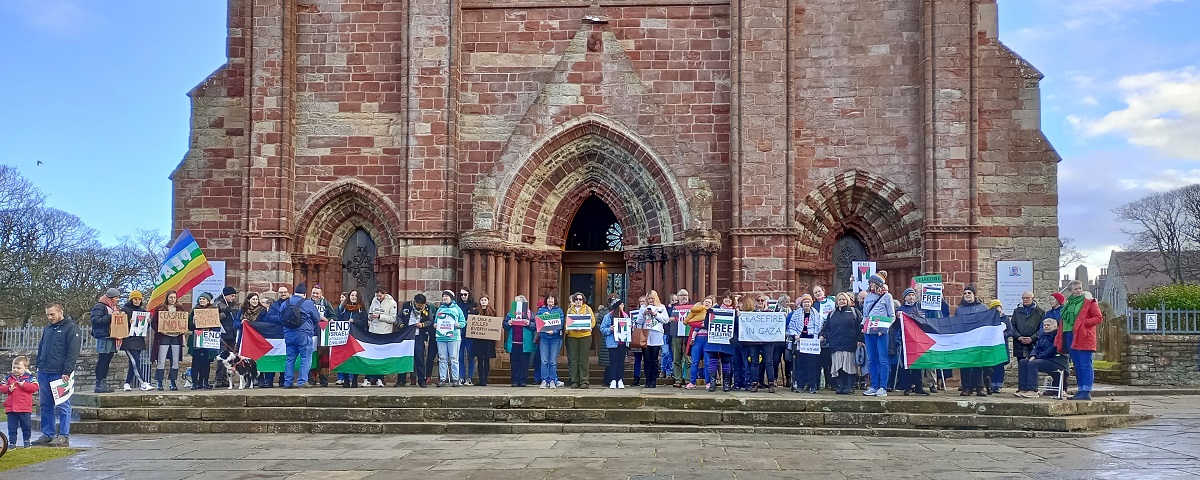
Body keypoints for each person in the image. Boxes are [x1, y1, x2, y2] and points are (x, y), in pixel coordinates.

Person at [32, 304, 79, 447]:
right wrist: (38, 364)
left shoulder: (71, 328)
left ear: (61, 312)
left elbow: (73, 351)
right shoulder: (48, 329)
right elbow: (41, 347)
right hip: (44, 372)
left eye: (52, 314)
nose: (50, 317)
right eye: (48, 315)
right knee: (46, 405)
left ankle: (64, 435)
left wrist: (67, 371)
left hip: (60, 373)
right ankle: (48, 434)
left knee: (63, 404)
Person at [1057, 281, 1103, 400]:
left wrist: (1083, 324)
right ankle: (1080, 389)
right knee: (1077, 364)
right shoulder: (1068, 304)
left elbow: (1098, 318)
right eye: (1076, 289)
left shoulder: (1089, 302)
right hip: (1069, 335)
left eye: (1080, 288)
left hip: (1083, 336)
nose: (1078, 291)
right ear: (1070, 291)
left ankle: (1086, 391)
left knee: (1085, 364)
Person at [820, 293, 862, 394]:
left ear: (847, 300)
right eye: (839, 300)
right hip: (836, 344)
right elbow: (826, 327)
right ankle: (841, 386)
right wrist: (823, 335)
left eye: (844, 299)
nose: (842, 301)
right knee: (839, 366)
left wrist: (860, 340)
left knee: (849, 367)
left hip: (849, 343)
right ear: (836, 302)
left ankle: (850, 386)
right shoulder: (832, 314)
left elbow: (860, 327)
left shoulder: (854, 312)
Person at [281, 283, 321, 388]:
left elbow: (281, 317)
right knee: (305, 358)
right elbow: (317, 318)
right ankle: (302, 382)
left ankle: (287, 382)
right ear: (304, 294)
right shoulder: (307, 303)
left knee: (290, 359)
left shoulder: (286, 302)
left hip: (289, 334)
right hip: (304, 334)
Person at [861, 274, 895, 397]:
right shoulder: (868, 296)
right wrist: (863, 326)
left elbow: (892, 316)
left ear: (878, 284)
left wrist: (884, 328)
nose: (870, 285)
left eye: (872, 283)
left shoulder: (887, 296)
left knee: (882, 359)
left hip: (881, 332)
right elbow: (865, 314)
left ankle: (883, 387)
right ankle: (874, 386)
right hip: (869, 330)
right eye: (869, 283)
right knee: (871, 360)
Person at [1017, 319, 1069, 398]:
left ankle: (1033, 390)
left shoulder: (1057, 336)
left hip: (1057, 361)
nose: (1046, 327)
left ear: (1055, 326)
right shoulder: (1043, 336)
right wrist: (1032, 356)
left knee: (1033, 363)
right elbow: (1036, 348)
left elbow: (1052, 350)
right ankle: (1023, 388)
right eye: (1044, 325)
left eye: (1048, 325)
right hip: (1044, 359)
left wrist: (1037, 357)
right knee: (1023, 362)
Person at [894, 289, 929, 396]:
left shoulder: (920, 308)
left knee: (918, 364)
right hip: (905, 340)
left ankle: (919, 386)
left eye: (913, 295)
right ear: (904, 297)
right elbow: (895, 327)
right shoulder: (901, 310)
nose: (912, 297)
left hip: (918, 340)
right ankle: (907, 387)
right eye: (909, 295)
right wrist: (897, 318)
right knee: (906, 365)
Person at [1009, 292, 1045, 397]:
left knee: (1032, 364)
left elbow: (1041, 328)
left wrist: (1032, 338)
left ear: (1033, 298)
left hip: (1033, 343)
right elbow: (1012, 327)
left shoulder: (1040, 312)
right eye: (1023, 298)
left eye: (1027, 298)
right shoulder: (1017, 311)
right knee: (1021, 365)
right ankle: (1022, 388)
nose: (1025, 300)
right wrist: (1019, 337)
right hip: (1019, 343)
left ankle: (1032, 388)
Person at [741, 294, 778, 393]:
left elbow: (777, 323)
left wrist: (783, 317)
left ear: (766, 302)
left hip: (768, 341)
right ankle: (754, 383)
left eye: (762, 300)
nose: (760, 302)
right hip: (754, 340)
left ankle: (771, 383)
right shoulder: (752, 314)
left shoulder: (772, 314)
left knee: (769, 362)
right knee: (754, 362)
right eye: (758, 301)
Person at [956, 286, 989, 396]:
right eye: (965, 293)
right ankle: (966, 388)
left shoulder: (982, 307)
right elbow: (956, 324)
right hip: (964, 340)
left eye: (969, 292)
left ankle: (980, 387)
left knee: (978, 365)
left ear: (974, 294)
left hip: (978, 340)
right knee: (965, 365)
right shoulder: (959, 309)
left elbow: (987, 322)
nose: (967, 295)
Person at [152, 290, 188, 391]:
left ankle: (173, 382)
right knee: (161, 359)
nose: (172, 299)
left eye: (174, 297)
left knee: (175, 360)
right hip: (164, 336)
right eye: (170, 297)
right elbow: (154, 323)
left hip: (176, 337)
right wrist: (160, 330)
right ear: (167, 298)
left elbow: (184, 323)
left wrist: (182, 330)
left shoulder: (180, 309)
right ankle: (159, 382)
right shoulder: (160, 309)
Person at [787, 294, 823, 393]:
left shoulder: (816, 314)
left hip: (811, 342)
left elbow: (820, 327)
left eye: (808, 302)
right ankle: (800, 385)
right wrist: (795, 335)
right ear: (802, 304)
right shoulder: (796, 314)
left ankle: (812, 386)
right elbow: (791, 327)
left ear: (811, 303)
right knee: (800, 365)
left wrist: (820, 336)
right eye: (805, 302)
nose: (806, 304)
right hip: (800, 342)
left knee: (811, 365)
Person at [89, 287, 122, 393]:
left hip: (112, 336)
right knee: (102, 360)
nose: (118, 300)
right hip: (103, 336)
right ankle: (99, 382)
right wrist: (111, 316)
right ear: (110, 298)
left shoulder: (114, 307)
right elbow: (96, 320)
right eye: (116, 298)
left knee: (107, 360)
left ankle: (103, 381)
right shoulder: (99, 306)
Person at [120, 290, 153, 392]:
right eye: (135, 299)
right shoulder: (124, 310)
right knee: (136, 361)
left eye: (139, 299)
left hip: (139, 339)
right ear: (131, 299)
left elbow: (144, 328)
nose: (137, 301)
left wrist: (147, 323)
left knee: (133, 363)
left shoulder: (143, 311)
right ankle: (143, 382)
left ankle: (127, 383)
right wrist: (128, 322)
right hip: (128, 340)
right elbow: (120, 324)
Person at [704, 294, 738, 392]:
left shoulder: (734, 312)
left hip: (727, 341)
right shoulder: (715, 309)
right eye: (726, 298)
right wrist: (707, 314)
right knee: (713, 361)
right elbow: (707, 325)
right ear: (722, 299)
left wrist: (734, 337)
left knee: (726, 361)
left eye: (730, 298)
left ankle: (726, 383)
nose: (727, 300)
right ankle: (712, 383)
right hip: (714, 339)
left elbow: (737, 327)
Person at [399, 293, 434, 388]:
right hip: (406, 335)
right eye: (418, 306)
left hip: (419, 336)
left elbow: (431, 320)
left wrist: (422, 325)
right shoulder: (406, 305)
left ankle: (421, 380)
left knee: (420, 358)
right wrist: (401, 325)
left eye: (422, 306)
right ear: (414, 302)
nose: (420, 308)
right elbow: (399, 317)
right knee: (404, 357)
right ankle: (401, 380)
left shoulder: (427, 308)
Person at [3, 356, 38, 449]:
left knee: (26, 426)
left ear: (25, 368)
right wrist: (8, 388)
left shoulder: (30, 378)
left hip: (24, 407)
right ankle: (12, 443)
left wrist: (24, 385)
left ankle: (26, 441)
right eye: (14, 367)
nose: (15, 370)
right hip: (11, 408)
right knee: (12, 427)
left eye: (18, 368)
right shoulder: (8, 378)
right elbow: (1, 386)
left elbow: (35, 387)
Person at [435, 290, 468, 387]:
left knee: (454, 358)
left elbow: (463, 322)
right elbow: (436, 321)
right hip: (441, 337)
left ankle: (455, 378)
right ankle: (442, 378)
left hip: (454, 337)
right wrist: (435, 324)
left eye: (447, 296)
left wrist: (459, 324)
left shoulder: (457, 309)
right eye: (443, 296)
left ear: (451, 298)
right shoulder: (440, 310)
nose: (444, 298)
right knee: (442, 358)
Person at [366, 288, 398, 386]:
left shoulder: (392, 303)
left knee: (381, 356)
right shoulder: (374, 300)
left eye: (380, 296)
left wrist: (380, 316)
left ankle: (380, 377)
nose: (378, 298)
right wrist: (370, 316)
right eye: (377, 296)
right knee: (371, 355)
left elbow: (393, 318)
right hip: (373, 331)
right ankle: (369, 377)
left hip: (384, 332)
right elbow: (370, 313)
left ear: (385, 294)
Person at [338, 290, 369, 388]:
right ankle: (346, 379)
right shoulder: (343, 308)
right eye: (352, 295)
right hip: (344, 338)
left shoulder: (362, 309)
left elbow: (364, 322)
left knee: (355, 359)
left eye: (355, 295)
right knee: (345, 359)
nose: (353, 297)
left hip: (356, 337)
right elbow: (338, 319)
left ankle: (355, 380)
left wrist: (354, 321)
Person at [188, 293, 220, 390]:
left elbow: (216, 325)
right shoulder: (194, 311)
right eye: (200, 299)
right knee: (196, 361)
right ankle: (194, 382)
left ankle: (204, 381)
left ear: (208, 301)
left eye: (204, 299)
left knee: (206, 362)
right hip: (197, 338)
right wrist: (193, 322)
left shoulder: (213, 311)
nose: (202, 300)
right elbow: (189, 326)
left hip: (208, 339)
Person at [564, 292, 596, 389]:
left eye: (580, 299)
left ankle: (584, 381)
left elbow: (593, 321)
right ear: (573, 301)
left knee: (584, 359)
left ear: (583, 300)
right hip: (573, 336)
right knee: (574, 359)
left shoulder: (587, 309)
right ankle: (574, 381)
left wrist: (587, 327)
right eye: (576, 299)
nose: (578, 301)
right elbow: (566, 322)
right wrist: (568, 330)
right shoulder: (570, 310)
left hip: (585, 336)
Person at [308, 285, 337, 387]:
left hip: (323, 333)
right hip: (311, 332)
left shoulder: (326, 303)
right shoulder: (307, 303)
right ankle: (311, 379)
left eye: (317, 293)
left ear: (321, 294)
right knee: (311, 356)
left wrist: (327, 319)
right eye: (313, 292)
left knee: (323, 357)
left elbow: (333, 316)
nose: (315, 295)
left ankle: (323, 379)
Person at [639, 291, 670, 389]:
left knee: (654, 359)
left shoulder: (661, 307)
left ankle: (653, 381)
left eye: (652, 298)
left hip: (656, 334)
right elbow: (638, 321)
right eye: (649, 299)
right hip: (646, 335)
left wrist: (655, 314)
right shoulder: (643, 307)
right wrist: (643, 314)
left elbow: (666, 320)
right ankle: (647, 380)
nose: (650, 300)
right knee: (647, 359)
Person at [536, 294, 567, 389]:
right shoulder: (541, 310)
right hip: (544, 338)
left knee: (553, 361)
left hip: (555, 339)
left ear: (555, 300)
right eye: (548, 298)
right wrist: (543, 321)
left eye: (552, 298)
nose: (550, 300)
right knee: (544, 360)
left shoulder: (559, 311)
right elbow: (537, 321)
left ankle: (553, 380)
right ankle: (544, 380)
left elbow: (561, 323)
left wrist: (553, 331)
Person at [504, 295, 536, 387]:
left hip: (525, 343)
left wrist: (529, 323)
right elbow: (504, 324)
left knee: (524, 363)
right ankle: (514, 380)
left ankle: (523, 381)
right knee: (514, 362)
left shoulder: (529, 314)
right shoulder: (511, 313)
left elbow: (535, 326)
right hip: (513, 342)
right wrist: (508, 323)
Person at [467, 294, 498, 386]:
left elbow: (495, 324)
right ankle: (481, 380)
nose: (483, 302)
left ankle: (485, 379)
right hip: (479, 339)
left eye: (485, 300)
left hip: (488, 340)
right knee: (480, 359)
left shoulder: (493, 312)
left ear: (488, 301)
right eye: (482, 300)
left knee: (486, 360)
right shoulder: (475, 311)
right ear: (480, 301)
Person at [599, 299, 630, 389]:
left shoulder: (626, 316)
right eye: (621, 304)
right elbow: (602, 329)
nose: (623, 306)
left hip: (623, 343)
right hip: (612, 343)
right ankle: (613, 380)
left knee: (621, 362)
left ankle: (620, 379)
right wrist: (610, 329)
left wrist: (630, 328)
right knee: (613, 362)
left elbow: (629, 328)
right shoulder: (608, 316)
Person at [683, 296, 713, 390]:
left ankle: (708, 382)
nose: (707, 303)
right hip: (697, 340)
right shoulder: (697, 312)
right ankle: (692, 382)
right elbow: (691, 322)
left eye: (709, 302)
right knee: (694, 362)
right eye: (705, 301)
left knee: (708, 362)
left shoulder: (713, 313)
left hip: (708, 340)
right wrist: (702, 324)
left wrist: (705, 324)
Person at [214, 286, 240, 388]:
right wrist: (224, 313)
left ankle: (227, 378)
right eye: (232, 296)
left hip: (232, 334)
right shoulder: (218, 304)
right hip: (222, 334)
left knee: (231, 359)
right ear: (226, 295)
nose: (233, 298)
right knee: (221, 358)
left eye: (234, 296)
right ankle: (219, 378)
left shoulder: (235, 306)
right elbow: (214, 318)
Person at [985, 299, 1012, 394]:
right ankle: (992, 384)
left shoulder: (1005, 318)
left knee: (1000, 366)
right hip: (992, 346)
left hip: (1001, 346)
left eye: (998, 307)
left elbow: (1010, 331)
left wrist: (1004, 334)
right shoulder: (989, 319)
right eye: (994, 307)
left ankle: (999, 385)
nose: (997, 309)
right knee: (992, 366)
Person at [668, 289, 692, 387]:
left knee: (689, 359)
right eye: (681, 295)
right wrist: (670, 319)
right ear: (677, 297)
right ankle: (678, 379)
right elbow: (666, 318)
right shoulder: (672, 307)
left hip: (688, 335)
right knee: (676, 358)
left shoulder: (693, 306)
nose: (684, 297)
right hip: (676, 335)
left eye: (685, 295)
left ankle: (688, 380)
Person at [456, 288, 478, 386]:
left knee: (471, 356)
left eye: (465, 294)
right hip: (459, 334)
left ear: (469, 294)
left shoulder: (474, 305)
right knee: (460, 356)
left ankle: (469, 377)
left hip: (470, 335)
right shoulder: (457, 306)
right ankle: (461, 376)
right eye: (461, 295)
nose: (463, 296)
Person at [630, 294, 648, 387]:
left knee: (647, 359)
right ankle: (636, 378)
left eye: (643, 302)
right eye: (640, 302)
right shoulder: (634, 313)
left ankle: (647, 378)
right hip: (637, 337)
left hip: (646, 337)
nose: (642, 303)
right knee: (637, 360)